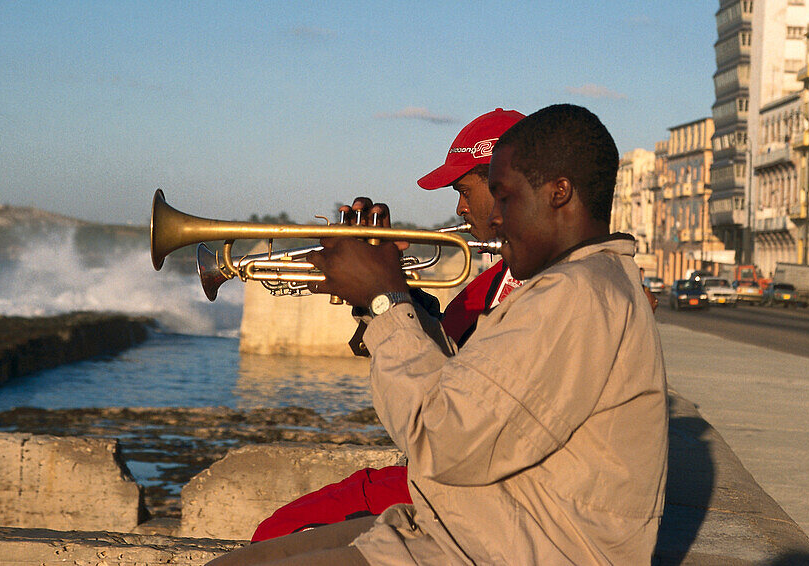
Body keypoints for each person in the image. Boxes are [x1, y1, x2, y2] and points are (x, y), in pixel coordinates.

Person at [213, 104, 668, 565]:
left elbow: (440, 440)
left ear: (558, 193)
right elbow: (463, 390)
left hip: (501, 546)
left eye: (502, 196)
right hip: (476, 526)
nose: (492, 217)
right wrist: (388, 299)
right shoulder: (579, 282)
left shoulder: (575, 294)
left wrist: (386, 301)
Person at [249, 108, 525, 543]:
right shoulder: (495, 281)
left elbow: (445, 426)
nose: (459, 207)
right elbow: (447, 367)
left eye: (465, 189)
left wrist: (384, 299)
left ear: (505, 182)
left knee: (280, 536)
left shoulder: (545, 292)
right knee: (276, 531)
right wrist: (389, 292)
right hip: (449, 477)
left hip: (476, 493)